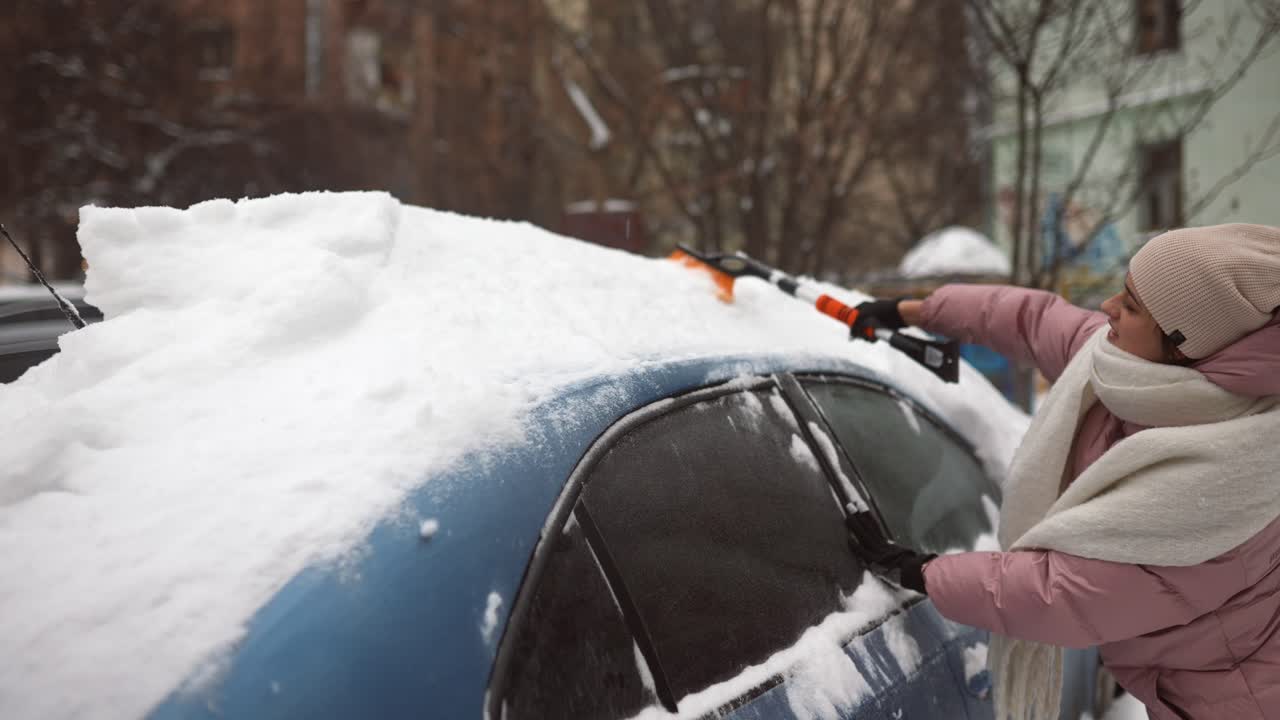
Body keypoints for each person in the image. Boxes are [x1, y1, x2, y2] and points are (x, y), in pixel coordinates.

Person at [845, 223, 1280, 720]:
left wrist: (921, 571)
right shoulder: (1129, 369)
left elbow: (1064, 595)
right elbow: (1035, 320)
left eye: (1132, 305)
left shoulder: (1231, 475)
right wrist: (912, 311)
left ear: (1185, 344)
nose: (1108, 307)